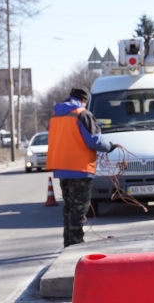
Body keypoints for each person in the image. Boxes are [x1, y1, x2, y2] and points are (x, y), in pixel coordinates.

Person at [47, 87, 116, 247]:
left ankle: (68, 241)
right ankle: (76, 242)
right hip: (80, 168)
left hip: (61, 167)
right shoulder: (82, 114)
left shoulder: (55, 115)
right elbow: (94, 141)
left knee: (69, 208)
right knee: (79, 209)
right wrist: (109, 146)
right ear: (84, 100)